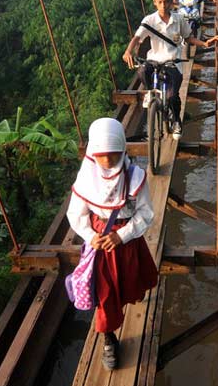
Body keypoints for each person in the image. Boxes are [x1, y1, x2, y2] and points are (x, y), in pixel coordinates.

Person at [67, 118, 158, 371]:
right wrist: (89, 235)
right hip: (100, 247)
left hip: (126, 243)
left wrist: (122, 235)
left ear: (123, 151)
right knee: (104, 295)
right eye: (101, 157)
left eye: (113, 156)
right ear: (92, 154)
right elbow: (76, 214)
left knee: (130, 281)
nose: (107, 164)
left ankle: (128, 299)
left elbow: (146, 213)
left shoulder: (134, 177)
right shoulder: (86, 178)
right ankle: (108, 339)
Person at [122, 0, 218, 139]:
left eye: (166, 1)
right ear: (154, 2)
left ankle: (176, 121)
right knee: (142, 71)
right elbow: (137, 37)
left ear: (172, 1)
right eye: (160, 2)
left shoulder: (179, 19)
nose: (163, 5)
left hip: (173, 62)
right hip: (154, 60)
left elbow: (188, 38)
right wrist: (128, 51)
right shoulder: (149, 20)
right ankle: (150, 92)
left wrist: (204, 43)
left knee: (173, 96)